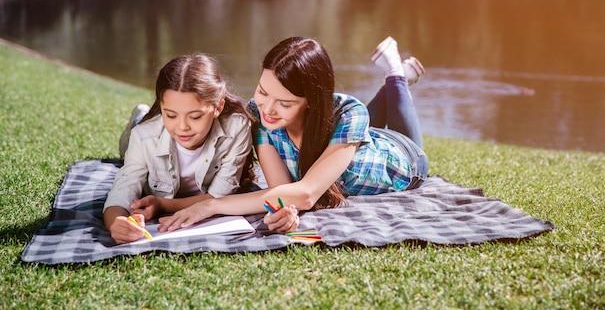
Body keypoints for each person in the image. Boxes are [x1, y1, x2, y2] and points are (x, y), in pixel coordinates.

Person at [157, 36, 428, 234]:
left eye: (284, 103)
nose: (268, 109)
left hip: (404, 158)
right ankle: (399, 76)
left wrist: (213, 206)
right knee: (352, 129)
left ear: (310, 101)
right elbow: (282, 191)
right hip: (352, 140)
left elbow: (306, 193)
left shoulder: (349, 113)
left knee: (370, 123)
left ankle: (397, 75)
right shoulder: (261, 116)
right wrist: (287, 210)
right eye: (263, 91)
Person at [103, 54, 254, 244]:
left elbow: (219, 196)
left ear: (218, 107)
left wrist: (162, 204)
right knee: (130, 145)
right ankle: (138, 117)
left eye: (195, 116)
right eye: (171, 115)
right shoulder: (144, 137)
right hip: (142, 136)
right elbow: (122, 190)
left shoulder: (236, 127)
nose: (183, 127)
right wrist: (117, 222)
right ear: (161, 107)